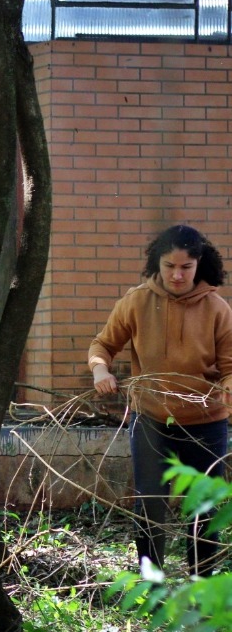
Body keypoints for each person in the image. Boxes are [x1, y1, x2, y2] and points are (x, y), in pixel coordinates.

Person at [89, 224, 232, 576]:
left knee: (204, 507)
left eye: (186, 267)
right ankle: (150, 580)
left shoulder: (217, 308)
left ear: (199, 265)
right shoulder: (136, 301)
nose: (177, 275)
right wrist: (100, 372)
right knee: (150, 502)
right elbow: (102, 346)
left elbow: (230, 366)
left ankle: (202, 581)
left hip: (206, 423)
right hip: (151, 421)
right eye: (170, 266)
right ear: (158, 263)